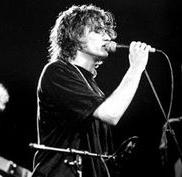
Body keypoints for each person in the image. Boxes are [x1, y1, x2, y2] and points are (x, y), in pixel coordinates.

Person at [32, 4, 153, 177]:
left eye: (107, 31)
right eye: (97, 31)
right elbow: (111, 114)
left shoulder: (93, 87)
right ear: (75, 35)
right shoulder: (57, 71)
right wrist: (136, 67)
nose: (107, 37)